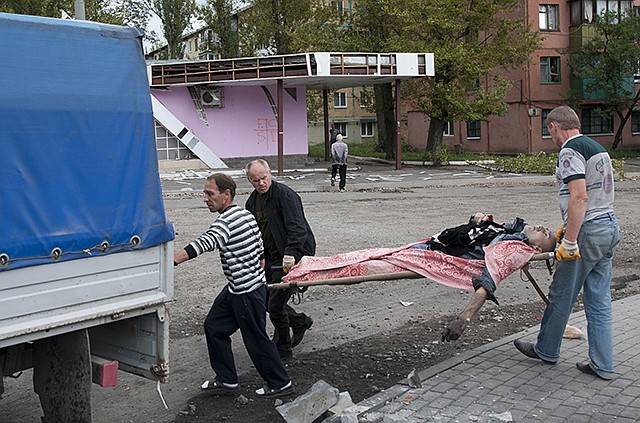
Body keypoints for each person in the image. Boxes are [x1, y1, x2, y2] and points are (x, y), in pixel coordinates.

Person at [513, 105, 620, 380]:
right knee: (599, 299)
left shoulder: (570, 151)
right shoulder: (598, 148)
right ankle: (603, 364)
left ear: (554, 127)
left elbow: (580, 197)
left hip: (587, 232)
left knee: (561, 295)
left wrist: (570, 239)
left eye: (550, 132)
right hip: (608, 227)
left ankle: (546, 350)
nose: (552, 137)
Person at [173, 173, 293, 398]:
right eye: (205, 194)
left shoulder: (226, 222)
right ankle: (227, 380)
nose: (205, 199)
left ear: (226, 195)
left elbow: (205, 242)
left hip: (246, 292)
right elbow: (260, 245)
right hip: (238, 288)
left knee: (256, 339)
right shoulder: (244, 214)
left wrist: (172, 261)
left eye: (210, 194)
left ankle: (280, 383)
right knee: (214, 326)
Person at [424, 213, 557, 342]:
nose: (541, 227)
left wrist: (463, 318)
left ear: (537, 249)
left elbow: (488, 283)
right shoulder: (512, 233)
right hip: (440, 243)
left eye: (546, 234)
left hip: (433, 250)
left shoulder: (514, 250)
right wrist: (478, 220)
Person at [245, 159, 316, 360]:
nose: (261, 183)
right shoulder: (252, 202)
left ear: (270, 173)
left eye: (264, 178)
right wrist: (259, 256)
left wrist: (291, 254)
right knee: (266, 300)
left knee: (275, 305)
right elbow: (255, 234)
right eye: (255, 180)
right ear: (250, 180)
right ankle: (299, 321)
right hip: (270, 257)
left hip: (293, 253)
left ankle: (283, 348)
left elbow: (297, 228)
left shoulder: (285, 195)